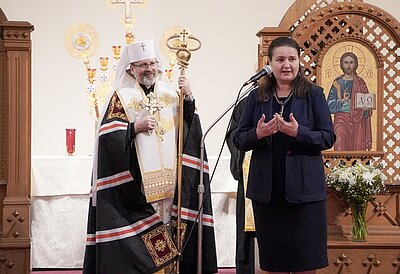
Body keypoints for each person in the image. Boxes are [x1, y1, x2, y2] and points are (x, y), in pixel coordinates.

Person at [83, 40, 217, 274]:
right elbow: (106, 138)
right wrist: (133, 127)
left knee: (173, 230)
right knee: (146, 239)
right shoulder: (121, 97)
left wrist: (188, 98)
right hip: (138, 186)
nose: (149, 69)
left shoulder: (171, 95)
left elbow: (189, 129)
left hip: (172, 184)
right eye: (142, 64)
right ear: (131, 69)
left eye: (152, 63)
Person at [233, 36, 336, 274]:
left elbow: (328, 137)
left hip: (305, 195)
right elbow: (239, 138)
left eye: (292, 59)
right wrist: (258, 133)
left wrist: (299, 132)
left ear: (300, 63)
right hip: (268, 195)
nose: (286, 64)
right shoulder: (255, 97)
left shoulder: (314, 95)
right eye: (280, 59)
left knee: (305, 263)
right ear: (269, 64)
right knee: (273, 264)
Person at [226, 97, 256, 274]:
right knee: (246, 236)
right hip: (250, 172)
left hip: (280, 178)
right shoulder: (247, 102)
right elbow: (233, 134)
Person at [327, 52, 372, 151]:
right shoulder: (337, 83)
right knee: (340, 140)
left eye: (351, 62)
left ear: (355, 64)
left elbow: (367, 104)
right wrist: (342, 101)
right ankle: (339, 165)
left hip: (358, 119)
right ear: (342, 65)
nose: (348, 65)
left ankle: (357, 166)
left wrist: (365, 109)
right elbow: (328, 105)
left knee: (358, 146)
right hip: (341, 119)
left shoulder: (360, 83)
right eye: (346, 62)